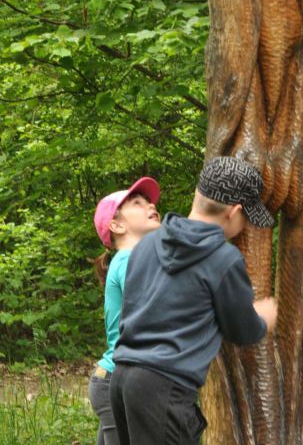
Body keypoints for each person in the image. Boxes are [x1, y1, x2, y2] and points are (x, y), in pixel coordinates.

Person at [110, 156, 279, 445]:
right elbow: (241, 329)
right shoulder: (222, 259)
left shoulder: (147, 244)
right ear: (234, 212)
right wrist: (262, 317)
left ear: (197, 195)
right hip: (164, 390)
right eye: (246, 218)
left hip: (123, 380)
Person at [88, 176, 162, 445]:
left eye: (150, 201)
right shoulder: (130, 259)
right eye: (138, 202)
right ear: (117, 225)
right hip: (116, 382)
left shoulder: (131, 259)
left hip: (113, 379)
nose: (150, 204)